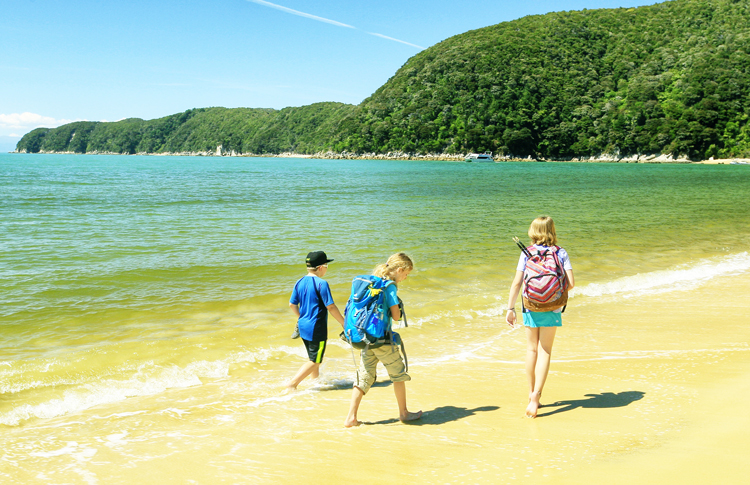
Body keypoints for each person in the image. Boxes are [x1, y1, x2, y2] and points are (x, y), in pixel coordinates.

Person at [505, 216, 575, 418]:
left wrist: (510, 309)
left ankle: (530, 393)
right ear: (552, 230)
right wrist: (554, 293)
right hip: (552, 307)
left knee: (531, 349)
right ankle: (537, 395)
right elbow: (571, 283)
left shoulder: (526, 253)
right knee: (545, 351)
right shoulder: (560, 253)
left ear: (533, 231)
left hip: (531, 305)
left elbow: (517, 283)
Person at [344, 253, 422, 427]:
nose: (405, 277)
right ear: (399, 270)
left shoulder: (373, 282)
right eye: (406, 274)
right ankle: (404, 413)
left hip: (366, 337)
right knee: (398, 375)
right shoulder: (389, 287)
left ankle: (351, 417)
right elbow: (395, 316)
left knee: (364, 376)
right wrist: (399, 310)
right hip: (382, 339)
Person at [287, 251, 345, 390]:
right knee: (315, 360)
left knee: (313, 357)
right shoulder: (321, 284)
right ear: (320, 267)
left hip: (303, 325)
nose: (326, 269)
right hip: (316, 328)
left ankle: (315, 382)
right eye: (326, 266)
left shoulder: (299, 281)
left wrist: (301, 317)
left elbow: (292, 304)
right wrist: (344, 323)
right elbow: (330, 306)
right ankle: (292, 384)